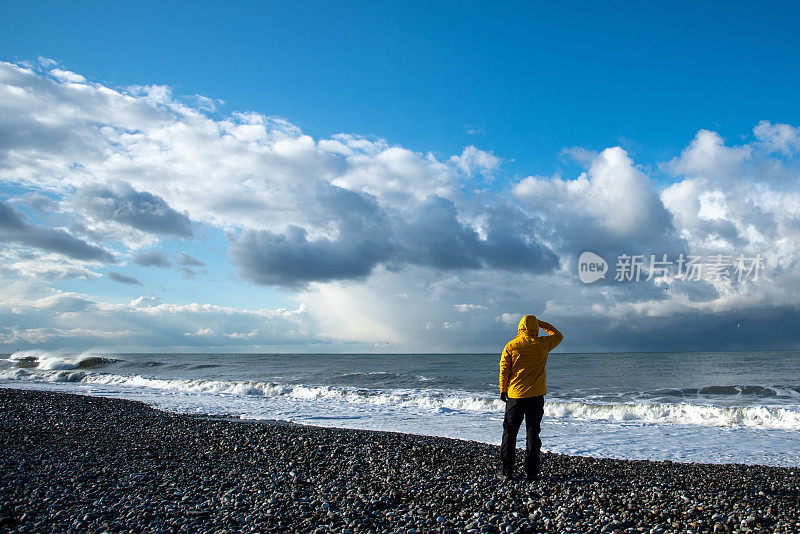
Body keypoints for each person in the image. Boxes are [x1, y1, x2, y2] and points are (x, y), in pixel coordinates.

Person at [499, 315, 563, 482]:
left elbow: (504, 369)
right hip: (536, 396)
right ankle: (532, 472)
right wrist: (541, 324)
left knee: (509, 433)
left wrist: (502, 390)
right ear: (535, 327)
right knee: (533, 433)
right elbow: (558, 335)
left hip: (515, 396)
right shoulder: (542, 344)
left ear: (520, 327)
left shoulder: (512, 345)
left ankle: (507, 472)